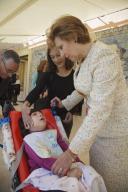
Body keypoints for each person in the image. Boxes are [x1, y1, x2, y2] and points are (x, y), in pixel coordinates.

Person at [47, 15, 128, 192]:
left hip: (114, 135)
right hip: (96, 131)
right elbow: (83, 89)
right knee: (98, 179)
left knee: (113, 183)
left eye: (61, 47)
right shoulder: (81, 60)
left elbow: (99, 110)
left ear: (73, 36)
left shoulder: (104, 57)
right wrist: (64, 104)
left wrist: (71, 153)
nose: (61, 54)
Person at [21, 108, 106, 192]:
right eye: (34, 114)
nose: (40, 114)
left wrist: (78, 162)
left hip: (63, 164)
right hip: (45, 171)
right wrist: (67, 172)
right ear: (26, 124)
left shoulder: (53, 132)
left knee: (90, 173)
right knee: (71, 186)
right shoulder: (30, 139)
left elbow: (66, 149)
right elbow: (44, 160)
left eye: (41, 114)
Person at [23, 46, 83, 137]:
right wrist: (25, 105)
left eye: (58, 55)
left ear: (66, 54)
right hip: (48, 116)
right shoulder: (48, 74)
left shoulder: (76, 75)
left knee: (63, 144)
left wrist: (71, 112)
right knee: (49, 145)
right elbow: (36, 90)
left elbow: (77, 96)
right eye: (52, 57)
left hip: (65, 117)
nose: (56, 59)